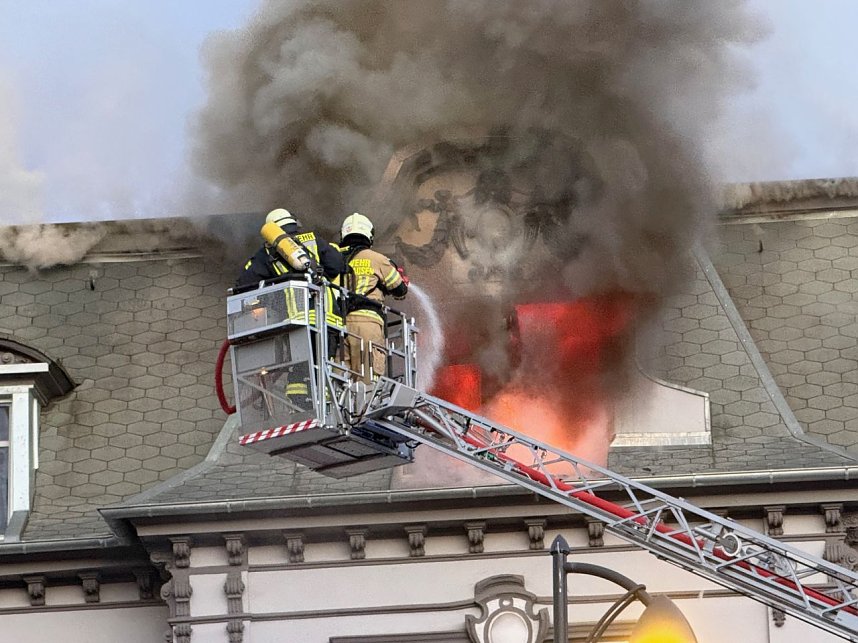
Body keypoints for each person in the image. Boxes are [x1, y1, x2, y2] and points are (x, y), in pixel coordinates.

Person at [236, 208, 346, 406]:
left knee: (300, 366)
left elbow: (244, 284)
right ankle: (326, 404)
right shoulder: (314, 240)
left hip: (297, 321)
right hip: (327, 317)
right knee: (324, 364)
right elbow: (337, 266)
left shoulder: (268, 251)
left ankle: (301, 407)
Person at [338, 212, 409, 383]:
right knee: (368, 380)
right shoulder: (377, 259)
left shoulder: (334, 258)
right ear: (369, 235)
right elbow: (400, 290)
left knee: (340, 380)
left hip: (337, 325)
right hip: (367, 323)